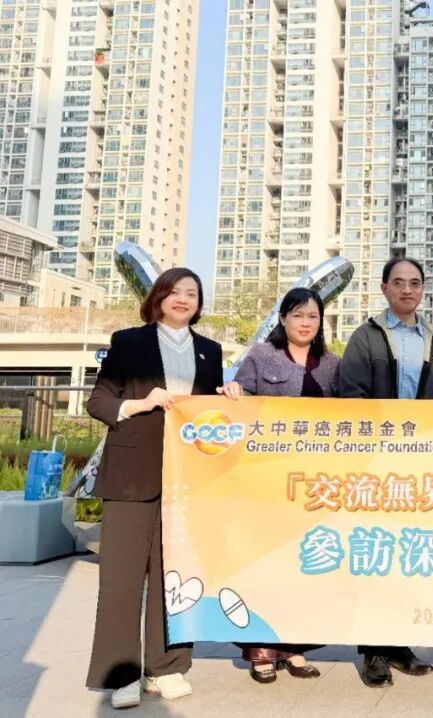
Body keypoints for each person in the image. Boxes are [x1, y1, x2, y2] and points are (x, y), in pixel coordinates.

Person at [85, 268, 226, 709]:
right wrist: (139, 404)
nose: (184, 299)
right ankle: (122, 674)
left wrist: (228, 398)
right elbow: (99, 400)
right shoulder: (130, 342)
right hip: (130, 474)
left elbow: (208, 414)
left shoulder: (210, 351)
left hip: (185, 477)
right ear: (159, 297)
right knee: (121, 580)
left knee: (174, 576)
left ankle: (166, 668)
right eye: (175, 291)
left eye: (192, 293)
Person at [338, 257, 433, 687]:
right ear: (384, 288)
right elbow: (351, 396)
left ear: (423, 289)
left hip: (422, 469)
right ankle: (373, 652)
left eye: (415, 283)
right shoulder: (365, 337)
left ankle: (400, 644)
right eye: (399, 282)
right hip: (376, 465)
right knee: (375, 554)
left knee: (408, 558)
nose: (407, 289)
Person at [219, 286, 339, 683]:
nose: (305, 323)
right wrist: (233, 392)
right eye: (297, 315)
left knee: (302, 565)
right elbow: (238, 402)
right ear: (283, 318)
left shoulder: (332, 365)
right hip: (266, 481)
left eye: (312, 316)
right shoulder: (261, 356)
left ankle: (293, 647)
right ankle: (261, 649)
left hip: (313, 485)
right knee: (264, 563)